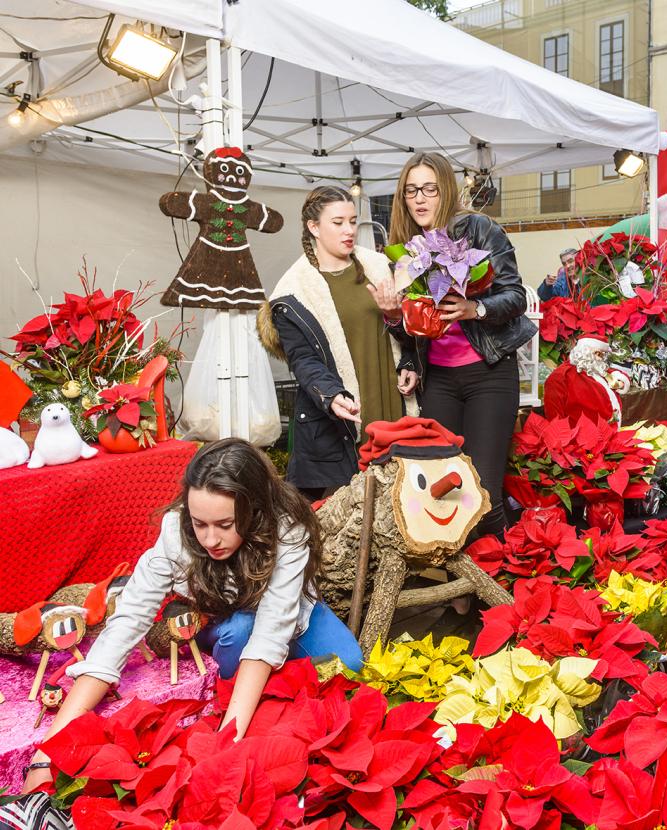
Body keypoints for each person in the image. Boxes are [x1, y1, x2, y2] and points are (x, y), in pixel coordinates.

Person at [22, 439, 362, 792]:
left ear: (255, 510)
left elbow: (273, 629)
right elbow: (126, 625)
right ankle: (253, 690)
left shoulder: (287, 531)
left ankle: (261, 690)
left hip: (289, 610)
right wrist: (48, 753)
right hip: (228, 617)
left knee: (351, 664)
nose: (211, 539)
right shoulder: (175, 535)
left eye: (225, 524)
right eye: (200, 524)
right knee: (240, 635)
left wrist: (223, 747)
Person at [386, 151, 536, 537]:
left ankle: (502, 587)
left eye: (429, 189)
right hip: (439, 383)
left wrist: (475, 308)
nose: (419, 199)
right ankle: (461, 593)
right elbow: (413, 331)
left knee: (483, 494)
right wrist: (394, 324)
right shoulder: (406, 250)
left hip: (488, 375)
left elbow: (515, 297)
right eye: (411, 191)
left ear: (445, 190)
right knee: (447, 492)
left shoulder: (479, 229)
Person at [258, 186, 416, 500]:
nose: (349, 230)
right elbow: (304, 360)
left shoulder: (381, 268)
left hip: (392, 405)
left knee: (399, 507)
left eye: (353, 221)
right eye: (338, 222)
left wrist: (407, 353)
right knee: (348, 518)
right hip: (346, 418)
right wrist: (330, 395)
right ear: (313, 227)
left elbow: (411, 331)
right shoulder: (291, 293)